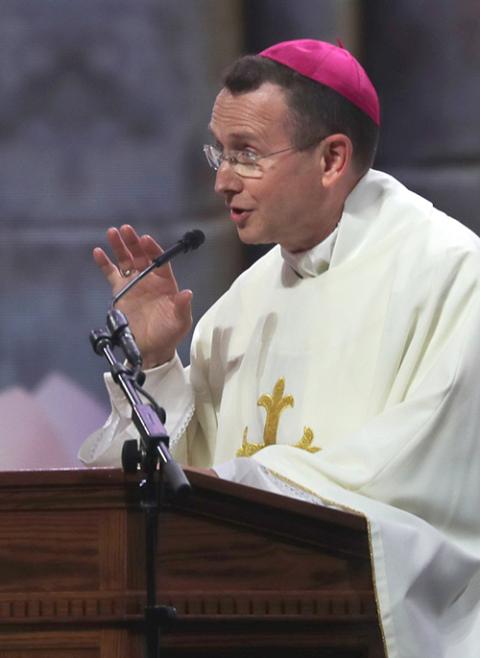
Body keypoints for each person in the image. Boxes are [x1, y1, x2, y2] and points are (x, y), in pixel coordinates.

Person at [79, 40, 480, 657]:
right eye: (219, 151)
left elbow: (426, 475)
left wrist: (249, 484)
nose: (221, 179)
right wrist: (157, 363)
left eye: (246, 154)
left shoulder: (452, 275)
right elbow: (177, 492)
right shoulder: (241, 306)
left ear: (332, 159)